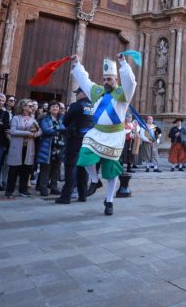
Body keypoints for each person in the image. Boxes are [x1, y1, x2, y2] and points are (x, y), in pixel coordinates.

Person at [71, 53, 137, 215]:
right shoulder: (97, 91)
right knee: (85, 155)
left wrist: (123, 63)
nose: (106, 82)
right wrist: (77, 64)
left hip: (115, 136)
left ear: (116, 79)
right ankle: (94, 180)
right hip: (97, 132)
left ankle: (109, 201)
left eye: (110, 79)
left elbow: (131, 82)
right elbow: (84, 80)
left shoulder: (123, 94)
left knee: (110, 169)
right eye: (105, 79)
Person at [56, 87, 94, 204]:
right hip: (88, 141)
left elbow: (65, 121)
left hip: (75, 140)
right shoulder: (92, 106)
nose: (76, 95)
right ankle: (83, 195)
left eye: (78, 93)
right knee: (83, 168)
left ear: (83, 93)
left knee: (71, 167)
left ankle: (66, 196)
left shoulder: (76, 105)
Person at [6, 99, 41, 197]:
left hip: (28, 147)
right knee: (14, 169)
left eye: (32, 106)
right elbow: (12, 131)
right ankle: (9, 190)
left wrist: (34, 135)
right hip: (17, 146)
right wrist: (27, 133)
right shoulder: (16, 118)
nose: (32, 107)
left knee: (26, 169)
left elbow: (40, 131)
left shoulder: (33, 119)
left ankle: (23, 189)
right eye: (29, 106)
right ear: (23, 107)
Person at [37, 100, 66, 196]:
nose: (55, 108)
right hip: (48, 146)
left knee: (56, 169)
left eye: (57, 107)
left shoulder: (62, 118)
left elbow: (65, 127)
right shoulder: (45, 118)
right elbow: (46, 130)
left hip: (60, 146)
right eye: (53, 107)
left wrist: (56, 129)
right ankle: (43, 188)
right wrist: (59, 129)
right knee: (45, 168)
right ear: (49, 109)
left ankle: (54, 187)